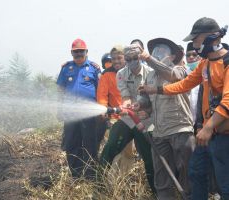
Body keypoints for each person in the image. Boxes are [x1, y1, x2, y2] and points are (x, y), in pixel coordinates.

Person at [139, 17, 229, 199]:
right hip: (208, 133)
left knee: (224, 183)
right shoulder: (205, 64)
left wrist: (209, 127)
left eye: (196, 40)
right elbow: (185, 84)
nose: (194, 45)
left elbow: (228, 100)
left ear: (211, 37)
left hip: (222, 134)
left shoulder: (226, 62)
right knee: (195, 173)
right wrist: (157, 89)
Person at [137, 38, 195, 199]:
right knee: (162, 178)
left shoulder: (181, 70)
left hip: (180, 129)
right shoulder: (150, 77)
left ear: (171, 56)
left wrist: (149, 59)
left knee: (187, 174)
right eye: (155, 51)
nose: (157, 54)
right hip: (159, 133)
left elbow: (173, 77)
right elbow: (148, 103)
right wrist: (140, 105)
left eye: (162, 51)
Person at [100, 44, 156, 194]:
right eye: (128, 58)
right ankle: (99, 187)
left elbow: (154, 100)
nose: (132, 61)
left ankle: (157, 193)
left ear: (140, 57)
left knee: (150, 159)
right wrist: (126, 106)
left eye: (135, 58)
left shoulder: (151, 73)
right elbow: (125, 97)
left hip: (147, 120)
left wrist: (147, 111)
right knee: (110, 146)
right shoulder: (121, 74)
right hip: (129, 118)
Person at [56, 38, 101, 179]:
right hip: (70, 113)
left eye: (81, 51)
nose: (78, 54)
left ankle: (90, 175)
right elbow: (61, 91)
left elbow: (101, 91)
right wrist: (59, 109)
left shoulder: (94, 68)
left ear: (86, 52)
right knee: (71, 143)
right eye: (76, 52)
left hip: (89, 113)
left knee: (90, 143)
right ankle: (76, 175)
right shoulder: (66, 68)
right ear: (71, 53)